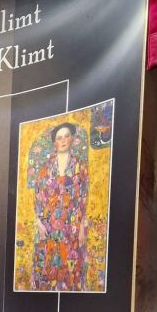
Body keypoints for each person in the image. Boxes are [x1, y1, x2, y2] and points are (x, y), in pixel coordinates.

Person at [32, 121, 89, 291]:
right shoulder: (45, 169)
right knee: (46, 268)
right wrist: (39, 223)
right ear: (54, 142)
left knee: (71, 268)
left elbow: (83, 198)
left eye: (66, 136)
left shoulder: (80, 167)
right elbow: (37, 197)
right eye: (59, 137)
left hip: (71, 227)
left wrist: (81, 227)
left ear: (71, 139)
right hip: (49, 227)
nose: (63, 140)